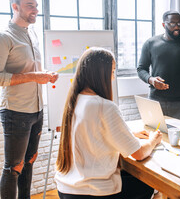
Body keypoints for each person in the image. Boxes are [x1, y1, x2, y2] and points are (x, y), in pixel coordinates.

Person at [55, 47, 162, 198]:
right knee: (153, 185)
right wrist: (153, 140)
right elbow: (138, 153)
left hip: (67, 188)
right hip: (92, 192)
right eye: (112, 72)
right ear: (100, 74)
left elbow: (91, 133)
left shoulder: (76, 100)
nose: (112, 78)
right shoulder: (104, 106)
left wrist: (128, 134)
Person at [0, 0, 58, 198]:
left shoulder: (32, 34)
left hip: (36, 110)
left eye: (36, 5)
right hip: (16, 112)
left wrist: (45, 74)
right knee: (13, 168)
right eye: (29, 6)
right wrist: (34, 76)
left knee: (29, 162)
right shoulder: (4, 37)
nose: (35, 10)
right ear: (15, 7)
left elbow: (29, 70)